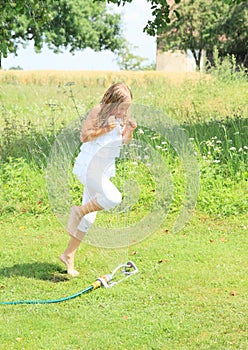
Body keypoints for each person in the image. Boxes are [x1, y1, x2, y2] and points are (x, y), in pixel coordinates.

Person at [60, 83, 137, 276]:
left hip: (103, 170)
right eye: (121, 107)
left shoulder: (122, 117)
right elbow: (84, 137)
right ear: (112, 101)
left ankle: (68, 255)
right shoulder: (98, 111)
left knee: (90, 217)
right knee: (113, 198)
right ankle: (77, 211)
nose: (123, 112)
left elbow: (124, 141)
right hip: (89, 167)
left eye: (126, 108)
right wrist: (104, 129)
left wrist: (130, 130)